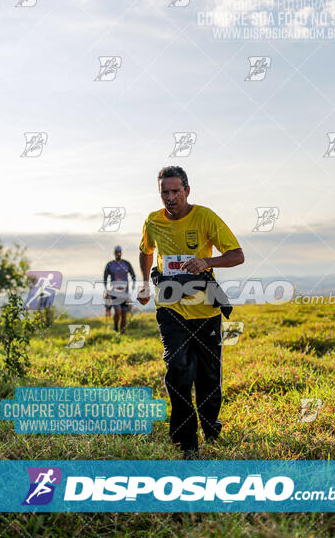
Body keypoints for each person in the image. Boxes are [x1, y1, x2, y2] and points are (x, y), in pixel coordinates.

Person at [137, 166, 244, 459]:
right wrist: (145, 283)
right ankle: (186, 441)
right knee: (178, 370)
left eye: (175, 191)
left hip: (206, 309)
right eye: (164, 193)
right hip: (170, 307)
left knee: (208, 377)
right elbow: (146, 250)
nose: (170, 198)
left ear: (187, 190)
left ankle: (211, 428)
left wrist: (206, 262)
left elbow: (237, 255)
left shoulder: (205, 217)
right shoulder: (152, 221)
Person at [103, 246, 136, 333]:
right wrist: (107, 290)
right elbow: (105, 278)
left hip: (125, 293)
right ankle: (115, 327)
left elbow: (133, 275)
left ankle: (122, 333)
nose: (118, 253)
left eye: (119, 252)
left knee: (124, 315)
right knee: (118, 311)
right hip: (114, 293)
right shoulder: (110, 265)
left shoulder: (126, 264)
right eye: (116, 252)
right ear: (114, 253)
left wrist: (133, 285)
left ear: (121, 252)